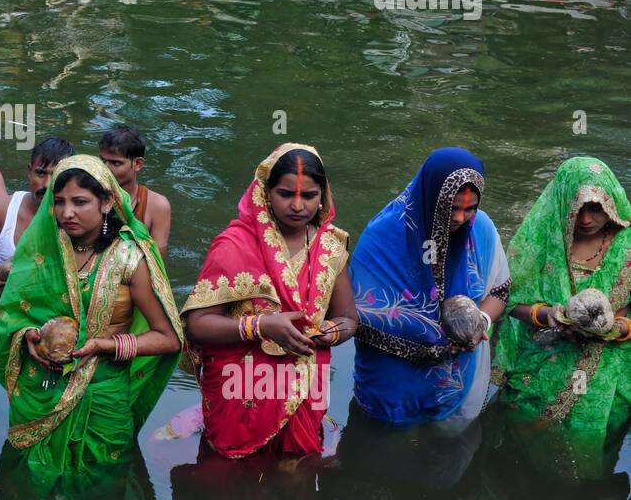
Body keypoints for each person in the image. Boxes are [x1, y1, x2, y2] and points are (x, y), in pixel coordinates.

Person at [0, 155, 182, 474]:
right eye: (59, 202)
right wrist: (27, 337)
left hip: (104, 396)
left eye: (80, 202)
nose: (67, 213)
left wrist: (106, 346)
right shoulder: (41, 252)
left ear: (107, 202)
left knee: (99, 493)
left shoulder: (129, 258)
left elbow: (168, 339)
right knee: (34, 486)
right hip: (41, 389)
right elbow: (14, 314)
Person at [182, 144, 358, 458]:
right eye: (285, 193)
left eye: (309, 195)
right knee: (231, 485)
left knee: (299, 471)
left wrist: (325, 333)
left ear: (323, 195)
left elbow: (348, 318)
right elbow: (197, 325)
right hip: (240, 387)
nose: (298, 205)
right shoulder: (234, 245)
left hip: (306, 384)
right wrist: (261, 326)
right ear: (266, 193)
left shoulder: (331, 248)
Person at [349, 148, 510, 428]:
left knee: (444, 458)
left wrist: (478, 322)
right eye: (453, 207)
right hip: (394, 383)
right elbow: (358, 318)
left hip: (456, 380)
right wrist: (433, 342)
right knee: (384, 456)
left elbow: (500, 291)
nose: (461, 218)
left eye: (470, 208)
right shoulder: (384, 236)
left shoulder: (481, 229)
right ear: (431, 197)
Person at [493, 157, 631, 443]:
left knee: (588, 441)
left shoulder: (627, 245)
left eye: (596, 208)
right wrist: (547, 316)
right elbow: (507, 303)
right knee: (523, 435)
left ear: (610, 202)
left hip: (610, 363)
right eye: (576, 208)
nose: (585, 219)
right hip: (544, 354)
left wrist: (617, 328)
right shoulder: (541, 240)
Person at [0, 136, 73, 284]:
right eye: (40, 173)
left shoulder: (76, 219)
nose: (47, 184)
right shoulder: (1, 210)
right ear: (29, 172)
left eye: (57, 175)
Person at [98, 124, 172, 257]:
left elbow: (157, 261)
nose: (105, 170)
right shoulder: (90, 197)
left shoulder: (157, 205)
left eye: (116, 163)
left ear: (137, 164)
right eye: (103, 161)